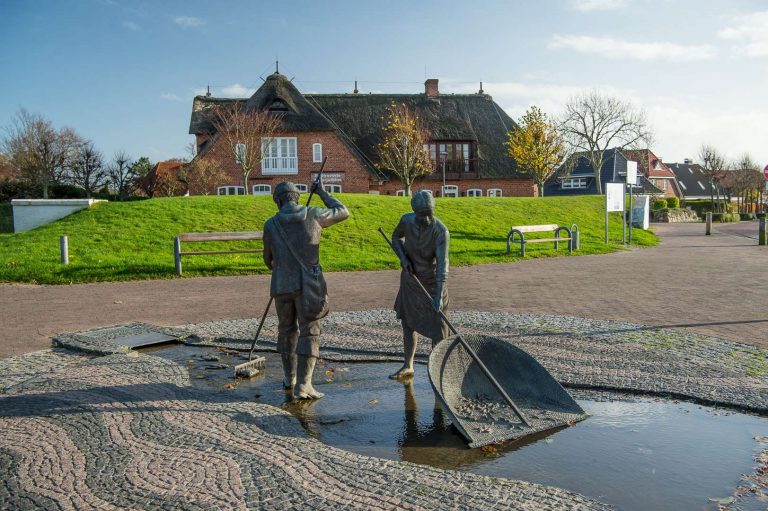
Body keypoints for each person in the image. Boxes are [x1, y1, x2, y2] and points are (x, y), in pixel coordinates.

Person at [263, 178, 349, 399]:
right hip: (308, 286)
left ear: (278, 200)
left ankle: (288, 377)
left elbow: (268, 260)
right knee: (309, 331)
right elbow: (342, 211)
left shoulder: (271, 224)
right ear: (296, 197)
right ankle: (304, 385)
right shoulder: (314, 214)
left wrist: (284, 267)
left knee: (286, 330)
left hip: (282, 285)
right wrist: (321, 192)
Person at [389, 190, 450, 379]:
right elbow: (395, 238)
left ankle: (438, 370)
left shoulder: (441, 231)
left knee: (439, 329)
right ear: (415, 212)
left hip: (433, 283)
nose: (426, 219)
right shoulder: (406, 221)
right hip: (411, 280)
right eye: (422, 215)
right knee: (408, 323)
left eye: (429, 214)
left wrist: (438, 295)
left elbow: (443, 265)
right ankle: (408, 365)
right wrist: (403, 258)